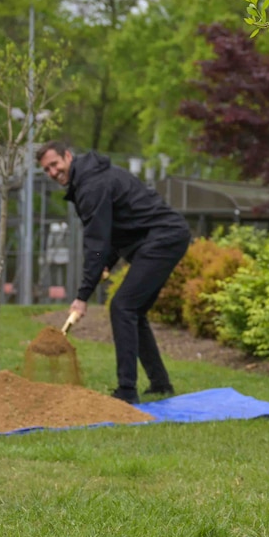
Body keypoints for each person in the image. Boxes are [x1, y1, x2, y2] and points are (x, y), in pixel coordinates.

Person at [37, 142, 192, 404]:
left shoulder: (91, 185)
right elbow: (117, 232)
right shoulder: (89, 180)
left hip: (164, 237)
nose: (53, 172)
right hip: (157, 237)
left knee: (123, 307)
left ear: (67, 156)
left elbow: (97, 243)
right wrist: (105, 263)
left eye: (55, 164)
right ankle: (160, 384)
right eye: (46, 169)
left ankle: (127, 391)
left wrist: (83, 295)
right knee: (133, 310)